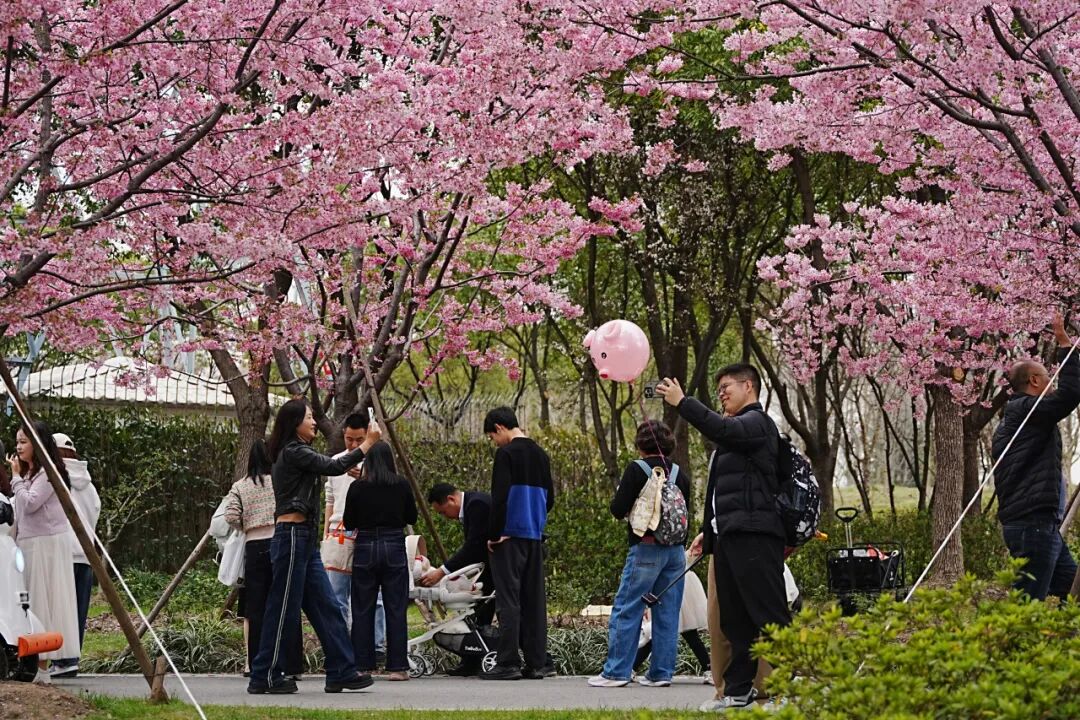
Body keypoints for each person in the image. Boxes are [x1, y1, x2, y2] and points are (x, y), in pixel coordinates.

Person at [657, 365, 790, 711]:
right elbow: (724, 491)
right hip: (729, 535)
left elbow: (720, 428)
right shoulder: (735, 437)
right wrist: (710, 530)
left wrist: (683, 402)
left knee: (769, 613)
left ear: (749, 386)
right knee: (735, 619)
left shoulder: (757, 423)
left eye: (726, 386)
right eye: (718, 389)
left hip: (756, 534)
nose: (721, 393)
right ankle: (738, 691)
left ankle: (785, 690)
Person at [247, 398, 379, 695]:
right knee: (283, 607)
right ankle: (265, 675)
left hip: (303, 539)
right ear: (295, 423)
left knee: (327, 606)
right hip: (292, 537)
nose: (315, 422)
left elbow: (330, 466)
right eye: (309, 417)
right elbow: (333, 466)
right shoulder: (293, 451)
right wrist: (368, 442)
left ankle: (342, 671)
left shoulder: (298, 452)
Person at [589, 420, 691, 688]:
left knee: (628, 608)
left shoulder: (638, 469)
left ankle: (616, 672)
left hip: (646, 547)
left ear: (640, 444)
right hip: (676, 552)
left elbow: (617, 508)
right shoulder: (679, 473)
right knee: (667, 613)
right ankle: (661, 673)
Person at [992, 313, 1080, 601]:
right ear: (1033, 381)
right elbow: (1070, 395)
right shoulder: (1026, 411)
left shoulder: (1020, 416)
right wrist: (1064, 342)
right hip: (1033, 526)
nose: (1052, 381)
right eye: (1047, 377)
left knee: (1071, 588)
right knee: (1028, 602)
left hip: (1040, 525)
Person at [480, 407, 555, 681]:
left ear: (499, 427)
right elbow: (550, 499)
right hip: (534, 535)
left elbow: (499, 497)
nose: (494, 443)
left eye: (492, 436)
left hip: (509, 537)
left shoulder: (506, 454)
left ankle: (508, 661)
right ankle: (537, 663)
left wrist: (494, 533)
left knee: (508, 600)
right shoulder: (541, 454)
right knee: (534, 601)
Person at [7, 421, 81, 684]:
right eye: (17, 441)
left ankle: (43, 666)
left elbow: (30, 504)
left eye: (24, 442)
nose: (18, 447)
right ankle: (35, 664)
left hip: (45, 545)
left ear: (38, 445)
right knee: (31, 603)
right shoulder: (31, 474)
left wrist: (15, 478)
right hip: (30, 543)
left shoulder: (48, 473)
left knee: (43, 602)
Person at [225, 439, 304, 681]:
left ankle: (257, 664)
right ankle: (292, 665)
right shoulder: (278, 480)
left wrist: (246, 526)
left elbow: (230, 516)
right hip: (281, 539)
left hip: (254, 547)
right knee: (286, 601)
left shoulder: (240, 486)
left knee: (256, 607)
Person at [342, 441, 417, 681]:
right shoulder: (401, 484)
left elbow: (349, 521)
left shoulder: (357, 487)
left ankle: (362, 665)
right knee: (395, 607)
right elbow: (411, 516)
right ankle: (397, 667)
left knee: (362, 607)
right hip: (394, 544)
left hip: (365, 546)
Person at [324, 412, 385, 660]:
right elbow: (330, 499)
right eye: (349, 439)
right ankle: (341, 646)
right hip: (339, 531)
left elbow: (387, 493)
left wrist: (365, 478)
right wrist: (326, 533)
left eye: (359, 439)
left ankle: (377, 645)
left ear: (368, 435)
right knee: (336, 594)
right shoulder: (336, 462)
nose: (353, 444)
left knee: (373, 593)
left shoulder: (377, 461)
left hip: (368, 532)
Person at [422, 482, 495, 675]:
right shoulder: (472, 505)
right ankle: (472, 660)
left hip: (499, 564)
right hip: (490, 566)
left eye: (443, 512)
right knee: (478, 613)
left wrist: (442, 572)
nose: (444, 517)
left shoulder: (477, 505)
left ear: (451, 499)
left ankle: (483, 656)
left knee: (484, 612)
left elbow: (474, 546)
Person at [49, 433, 101, 679]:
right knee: (79, 609)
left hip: (63, 552)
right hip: (85, 555)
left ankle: (61, 658)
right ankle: (72, 659)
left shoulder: (56, 479)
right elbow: (96, 513)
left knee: (60, 608)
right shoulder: (89, 485)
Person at [633, 550, 711, 682]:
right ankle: (708, 669)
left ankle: (633, 668)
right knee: (687, 634)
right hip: (676, 584)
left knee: (661, 632)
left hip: (675, 585)